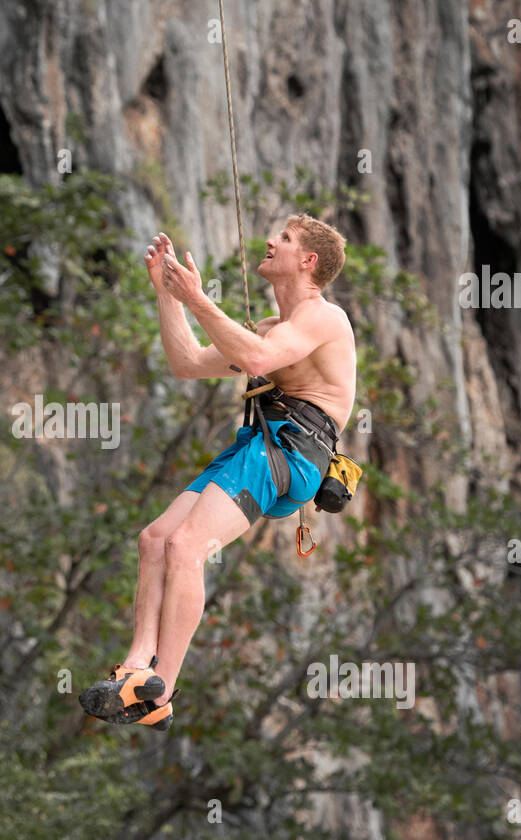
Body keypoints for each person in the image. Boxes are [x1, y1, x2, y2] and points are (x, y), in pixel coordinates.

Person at [79, 215, 356, 730]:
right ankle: (138, 667)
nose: (270, 242)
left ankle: (161, 687)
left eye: (286, 240)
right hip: (262, 447)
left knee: (186, 547)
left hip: (290, 453)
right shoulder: (277, 327)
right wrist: (167, 294)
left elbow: (257, 356)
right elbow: (186, 363)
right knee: (155, 538)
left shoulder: (325, 318)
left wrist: (197, 299)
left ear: (308, 261)